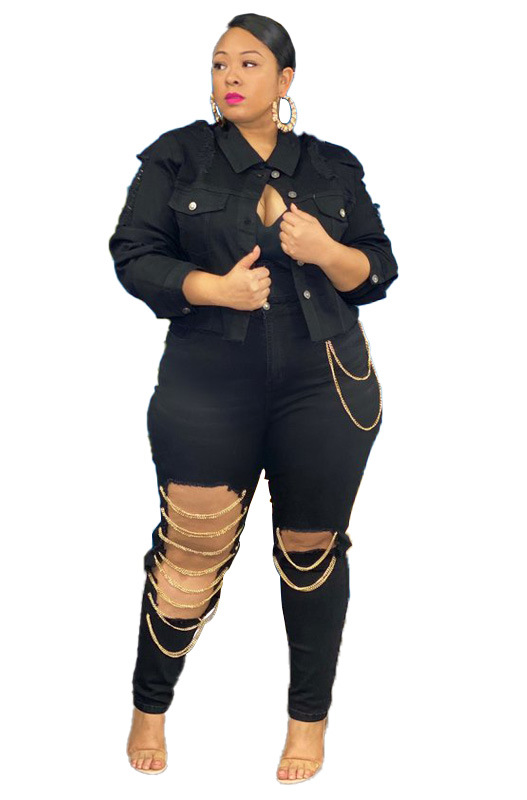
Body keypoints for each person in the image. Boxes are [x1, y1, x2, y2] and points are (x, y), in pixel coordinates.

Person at [108, 13, 399, 783]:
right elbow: (133, 254)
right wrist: (213, 288)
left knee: (311, 551)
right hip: (207, 381)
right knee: (191, 553)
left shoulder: (331, 165)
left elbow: (377, 270)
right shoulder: (176, 157)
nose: (230, 76)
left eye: (248, 63)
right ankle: (149, 706)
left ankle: (308, 724)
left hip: (325, 381)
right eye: (218, 64)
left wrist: (325, 250)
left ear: (285, 79)